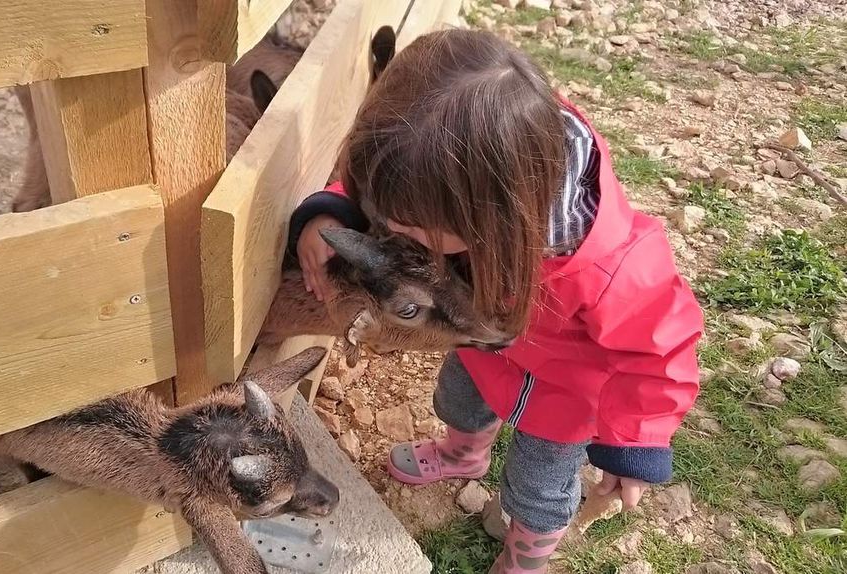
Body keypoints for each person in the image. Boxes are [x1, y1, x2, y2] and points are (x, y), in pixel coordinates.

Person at [285, 28, 704, 573]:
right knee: (458, 401)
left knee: (538, 485)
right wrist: (329, 214)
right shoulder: (445, 179)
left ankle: (526, 556)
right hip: (483, 349)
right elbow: (373, 192)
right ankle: (465, 454)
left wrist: (635, 444)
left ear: (490, 220)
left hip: (565, 392)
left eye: (409, 226)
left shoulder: (608, 264)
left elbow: (660, 348)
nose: (390, 230)